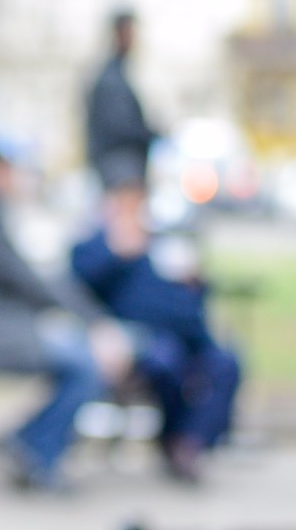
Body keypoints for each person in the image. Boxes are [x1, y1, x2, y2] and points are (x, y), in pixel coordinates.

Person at [0, 148, 126, 491]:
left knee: (80, 358)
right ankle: (35, 450)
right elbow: (24, 278)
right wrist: (92, 321)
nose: (20, 179)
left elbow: (17, 279)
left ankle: (29, 444)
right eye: (14, 171)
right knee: (85, 364)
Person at [70, 183, 240, 482]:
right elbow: (79, 283)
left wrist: (197, 284)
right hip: (145, 336)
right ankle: (176, 442)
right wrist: (116, 250)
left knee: (226, 363)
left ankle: (192, 441)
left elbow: (192, 295)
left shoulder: (162, 240)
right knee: (167, 362)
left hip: (191, 331)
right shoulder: (98, 244)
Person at [84, 7, 155, 191]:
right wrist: (152, 134)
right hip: (121, 170)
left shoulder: (115, 75)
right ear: (120, 34)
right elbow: (122, 126)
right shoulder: (111, 80)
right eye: (131, 32)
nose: (135, 39)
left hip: (118, 168)